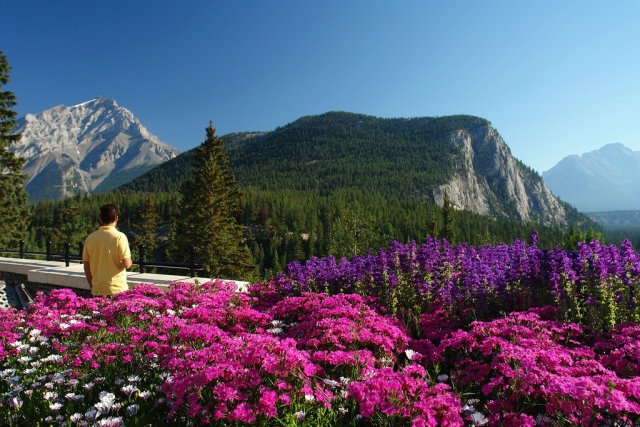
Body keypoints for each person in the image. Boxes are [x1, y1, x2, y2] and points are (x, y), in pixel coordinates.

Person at [83, 204, 132, 296]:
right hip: (117, 289)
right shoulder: (119, 237)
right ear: (116, 218)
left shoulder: (90, 238)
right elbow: (127, 264)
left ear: (100, 219)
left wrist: (92, 285)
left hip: (98, 289)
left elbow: (86, 266)